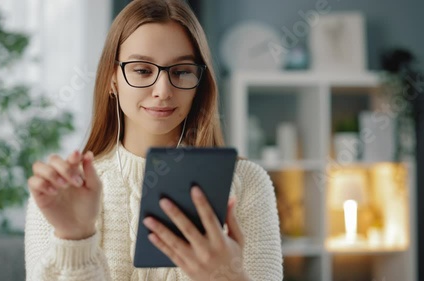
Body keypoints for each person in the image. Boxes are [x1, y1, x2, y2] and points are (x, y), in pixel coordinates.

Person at [24, 0, 283, 280]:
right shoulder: (63, 194)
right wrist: (76, 239)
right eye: (142, 70)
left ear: (200, 81)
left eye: (181, 71)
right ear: (113, 79)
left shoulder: (247, 183)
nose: (163, 90)